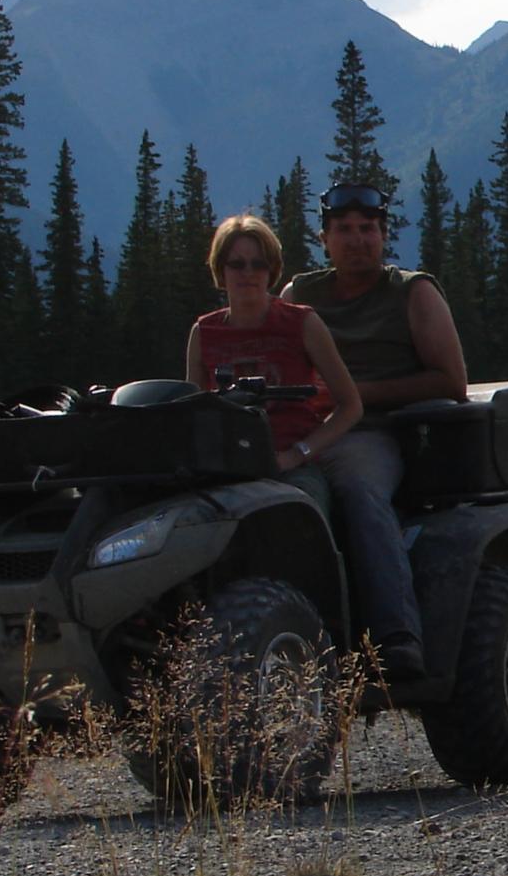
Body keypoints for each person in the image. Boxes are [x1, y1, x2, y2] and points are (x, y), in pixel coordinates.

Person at [282, 183, 468, 681]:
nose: (357, 240)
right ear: (324, 239)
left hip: (374, 433)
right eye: (344, 230)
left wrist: (353, 394)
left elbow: (451, 381)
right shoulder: (299, 296)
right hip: (301, 432)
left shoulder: (412, 292)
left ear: (384, 235)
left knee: (359, 491)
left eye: (368, 229)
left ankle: (396, 637)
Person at [186, 214, 363, 519]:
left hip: (293, 470)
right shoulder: (203, 333)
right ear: (220, 270)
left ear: (272, 270)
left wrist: (298, 453)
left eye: (259, 264)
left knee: (297, 520)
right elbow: (192, 416)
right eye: (237, 264)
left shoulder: (302, 323)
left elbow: (350, 406)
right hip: (226, 472)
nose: (248, 273)